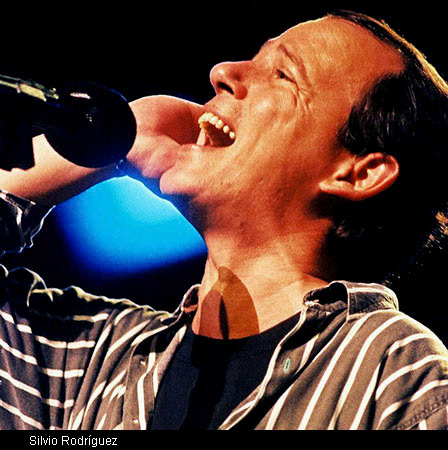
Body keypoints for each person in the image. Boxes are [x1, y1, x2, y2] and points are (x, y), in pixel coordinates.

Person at [0, 10, 446, 430]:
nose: (223, 72)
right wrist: (112, 134)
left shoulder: (395, 372)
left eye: (283, 74)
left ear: (358, 172)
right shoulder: (93, 361)